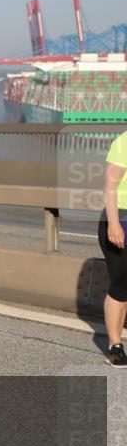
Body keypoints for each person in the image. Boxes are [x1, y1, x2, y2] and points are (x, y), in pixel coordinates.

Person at [99, 130, 127, 367]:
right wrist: (114, 224)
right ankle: (115, 345)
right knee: (122, 284)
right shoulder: (124, 142)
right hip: (120, 218)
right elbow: (110, 184)